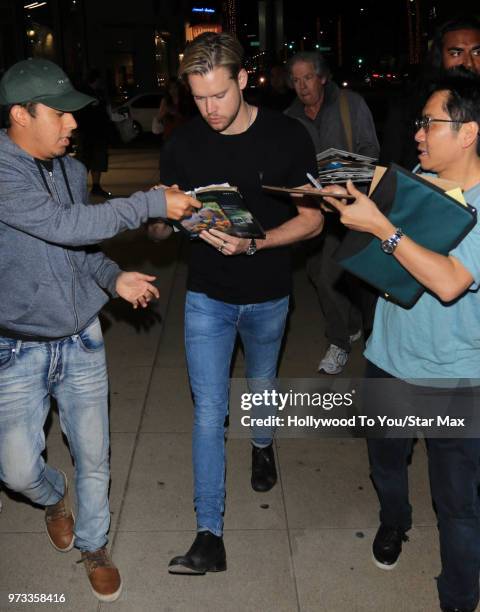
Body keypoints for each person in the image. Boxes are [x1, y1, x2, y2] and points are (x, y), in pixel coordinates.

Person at [0, 58, 198, 602]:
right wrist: (153, 201)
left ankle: (94, 542)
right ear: (21, 114)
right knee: (16, 470)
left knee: (96, 455)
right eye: (60, 114)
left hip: (81, 338)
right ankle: (51, 495)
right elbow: (63, 224)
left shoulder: (66, 170)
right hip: (16, 346)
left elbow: (80, 248)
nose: (73, 124)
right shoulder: (1, 170)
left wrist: (114, 280)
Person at [148, 32, 323, 575]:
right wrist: (160, 218)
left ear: (244, 79)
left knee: (263, 381)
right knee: (209, 412)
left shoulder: (287, 137)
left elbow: (314, 218)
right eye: (199, 98)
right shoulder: (182, 144)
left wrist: (259, 241)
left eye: (219, 95)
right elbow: (159, 228)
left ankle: (263, 442)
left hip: (269, 291)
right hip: (208, 296)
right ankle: (209, 534)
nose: (210, 109)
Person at [323, 69, 480, 612]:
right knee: (386, 463)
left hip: (455, 378)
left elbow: (449, 281)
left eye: (428, 124)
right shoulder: (416, 179)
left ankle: (459, 597)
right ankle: (394, 521)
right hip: (389, 359)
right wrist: (351, 208)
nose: (416, 134)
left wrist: (382, 230)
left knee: (458, 502)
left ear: (467, 132)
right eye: (418, 123)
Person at [285, 51, 379, 375]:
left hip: (350, 208)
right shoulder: (290, 117)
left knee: (329, 275)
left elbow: (371, 150)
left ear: (322, 77)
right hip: (312, 211)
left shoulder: (349, 104)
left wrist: (342, 180)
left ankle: (338, 342)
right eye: (295, 80)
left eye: (307, 77)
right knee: (317, 275)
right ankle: (351, 323)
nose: (302, 86)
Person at [380, 15, 480, 170]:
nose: (468, 63)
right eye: (456, 53)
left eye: (477, 52)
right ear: (439, 57)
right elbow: (389, 168)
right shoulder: (409, 106)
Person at [75, 69, 113, 198]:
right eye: (99, 79)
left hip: (99, 132)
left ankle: (96, 187)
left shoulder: (99, 93)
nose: (101, 82)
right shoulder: (83, 93)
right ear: (95, 79)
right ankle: (78, 188)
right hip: (87, 133)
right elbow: (79, 114)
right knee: (84, 161)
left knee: (98, 160)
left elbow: (105, 111)